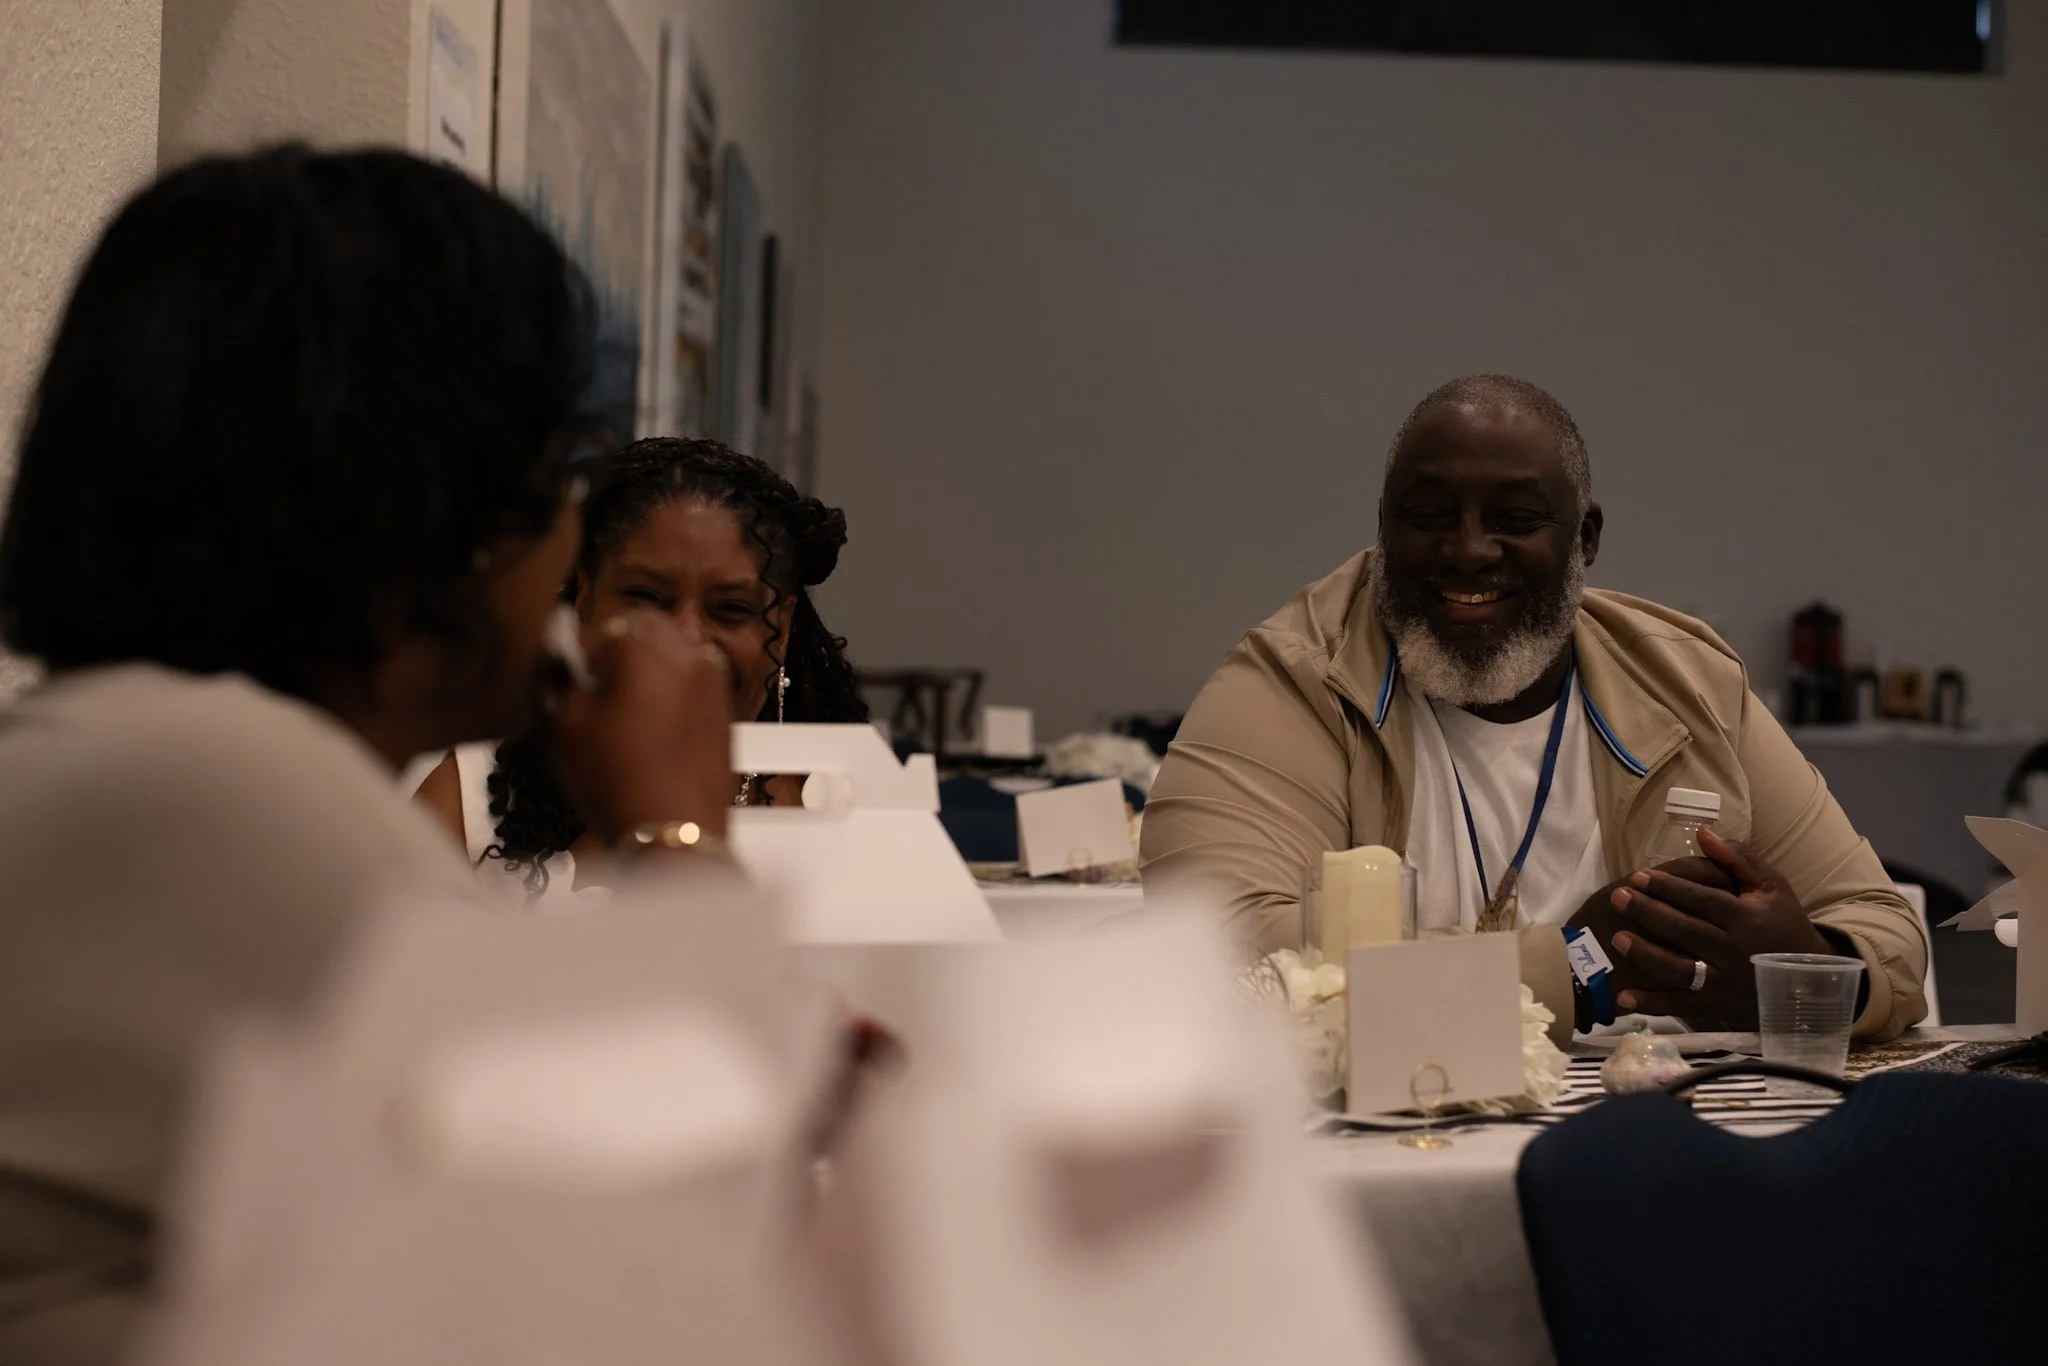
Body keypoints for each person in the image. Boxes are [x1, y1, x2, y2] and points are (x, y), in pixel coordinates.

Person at [0, 147, 733, 1364]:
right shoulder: (219, 783)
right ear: (431, 506)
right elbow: (663, 1283)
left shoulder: (135, 744)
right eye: (560, 475)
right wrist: (679, 832)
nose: (570, 538)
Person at [1140, 375, 1926, 1042]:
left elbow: (1881, 930)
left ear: (1584, 539)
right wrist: (1580, 968)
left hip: (1657, 1147)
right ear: (1383, 528)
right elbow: (1221, 958)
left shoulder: (1687, 683)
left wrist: (1801, 973)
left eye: (1514, 520)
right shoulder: (1292, 682)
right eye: (1429, 517)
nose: (1469, 551)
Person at [414, 438, 869, 894]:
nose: (686, 638)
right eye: (645, 597)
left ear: (782, 631)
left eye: (730, 609)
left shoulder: (842, 809)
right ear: (584, 600)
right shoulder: (470, 797)